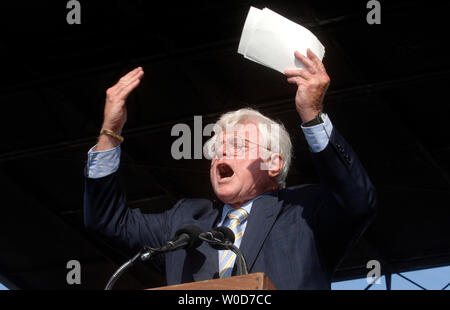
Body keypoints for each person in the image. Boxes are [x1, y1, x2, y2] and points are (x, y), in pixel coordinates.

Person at [84, 49, 376, 289]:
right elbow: (108, 221)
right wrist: (110, 131)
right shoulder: (187, 221)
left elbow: (358, 200)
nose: (220, 153)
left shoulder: (305, 213)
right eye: (215, 148)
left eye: (237, 145)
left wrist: (312, 114)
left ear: (273, 162)